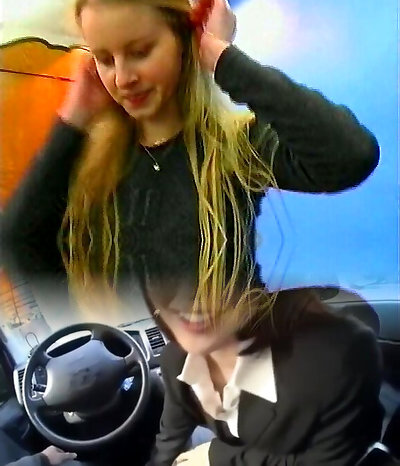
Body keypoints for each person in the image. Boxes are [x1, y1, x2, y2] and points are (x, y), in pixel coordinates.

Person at [1, 0, 379, 318]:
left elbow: (351, 156)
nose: (123, 77)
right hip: (133, 373)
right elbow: (18, 239)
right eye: (105, 59)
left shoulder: (235, 146)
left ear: (185, 41)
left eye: (139, 52)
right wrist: (73, 119)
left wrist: (221, 57)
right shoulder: (85, 163)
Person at [144, 285, 383, 466]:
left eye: (214, 274)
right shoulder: (175, 359)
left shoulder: (330, 365)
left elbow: (325, 459)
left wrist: (214, 456)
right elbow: (170, 437)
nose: (182, 299)